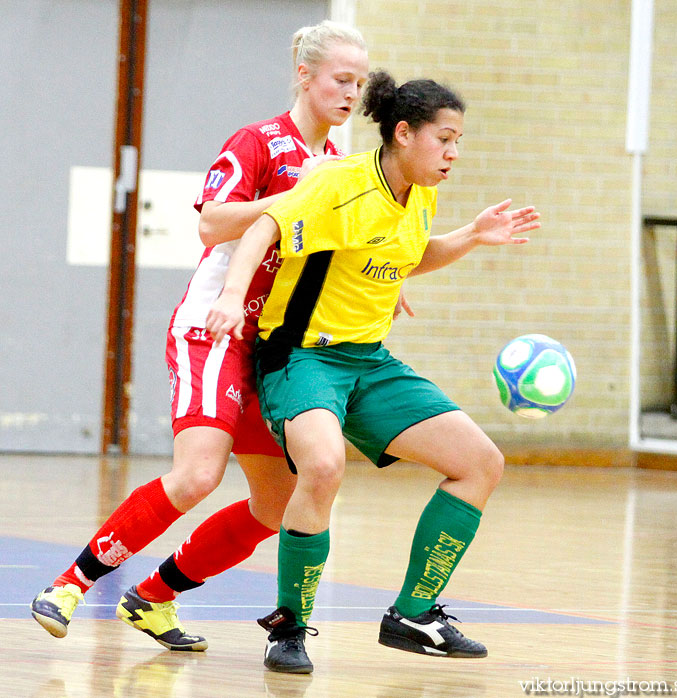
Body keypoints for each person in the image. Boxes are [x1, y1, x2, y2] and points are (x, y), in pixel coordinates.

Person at [30, 20, 370, 652]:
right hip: (214, 328)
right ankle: (69, 585)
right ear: (305, 76)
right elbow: (212, 223)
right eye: (341, 79)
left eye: (360, 82)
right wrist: (290, 202)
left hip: (275, 350)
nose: (352, 92)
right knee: (197, 476)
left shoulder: (339, 167)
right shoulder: (259, 142)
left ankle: (153, 598)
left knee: (278, 503)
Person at [205, 69, 541, 673]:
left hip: (369, 361)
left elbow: (411, 255)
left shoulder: (422, 191)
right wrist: (232, 296)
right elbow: (263, 227)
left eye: (459, 140)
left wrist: (471, 235)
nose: (454, 153)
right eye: (445, 138)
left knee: (480, 464)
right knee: (324, 466)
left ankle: (415, 612)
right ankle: (289, 626)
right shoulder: (339, 182)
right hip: (301, 356)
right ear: (404, 133)